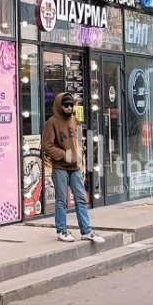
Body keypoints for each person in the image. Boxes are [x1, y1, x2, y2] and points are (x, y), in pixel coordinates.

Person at [43, 92, 105, 243]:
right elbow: (46, 146)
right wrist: (64, 155)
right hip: (60, 167)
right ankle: (62, 230)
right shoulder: (52, 122)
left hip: (75, 167)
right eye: (66, 105)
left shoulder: (75, 121)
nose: (69, 108)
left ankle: (86, 230)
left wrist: (80, 160)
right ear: (60, 105)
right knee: (61, 201)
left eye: (71, 105)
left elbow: (79, 143)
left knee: (81, 199)